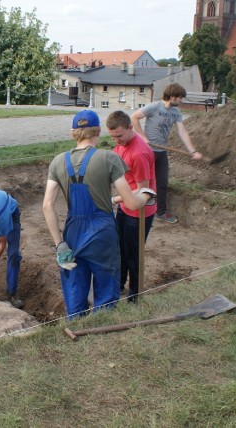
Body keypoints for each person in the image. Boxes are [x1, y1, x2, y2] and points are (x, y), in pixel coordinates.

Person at [42, 110, 155, 319]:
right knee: (105, 288)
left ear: (72, 133)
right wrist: (146, 195)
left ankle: (76, 326)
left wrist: (60, 245)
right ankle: (103, 330)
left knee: (75, 287)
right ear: (99, 131)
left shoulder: (58, 162)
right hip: (102, 233)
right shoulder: (108, 158)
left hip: (73, 232)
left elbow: (47, 205)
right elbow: (130, 201)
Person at [130, 83, 203, 224]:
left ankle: (160, 212)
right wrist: (143, 137)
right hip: (148, 152)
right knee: (144, 182)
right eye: (180, 97)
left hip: (161, 151)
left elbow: (182, 132)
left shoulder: (176, 112)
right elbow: (134, 117)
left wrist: (192, 151)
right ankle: (136, 207)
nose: (181, 100)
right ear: (172, 96)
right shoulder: (155, 107)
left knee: (162, 183)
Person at [107, 110, 157, 303]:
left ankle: (134, 296)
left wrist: (113, 200)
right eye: (112, 137)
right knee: (120, 249)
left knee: (134, 255)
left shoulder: (140, 153)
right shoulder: (121, 145)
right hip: (125, 207)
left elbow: (143, 190)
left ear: (130, 128)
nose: (116, 140)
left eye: (119, 136)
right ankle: (118, 285)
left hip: (140, 212)